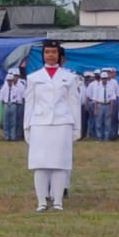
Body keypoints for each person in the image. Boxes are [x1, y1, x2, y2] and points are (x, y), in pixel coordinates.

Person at [23, 41, 81, 212]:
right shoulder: (33, 78)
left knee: (60, 163)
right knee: (40, 163)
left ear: (58, 55)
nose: (50, 55)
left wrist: (77, 127)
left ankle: (57, 201)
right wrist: (27, 127)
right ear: (43, 55)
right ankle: (41, 201)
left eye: (53, 52)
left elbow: (74, 103)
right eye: (47, 52)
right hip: (40, 123)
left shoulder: (69, 78)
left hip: (62, 122)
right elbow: (29, 103)